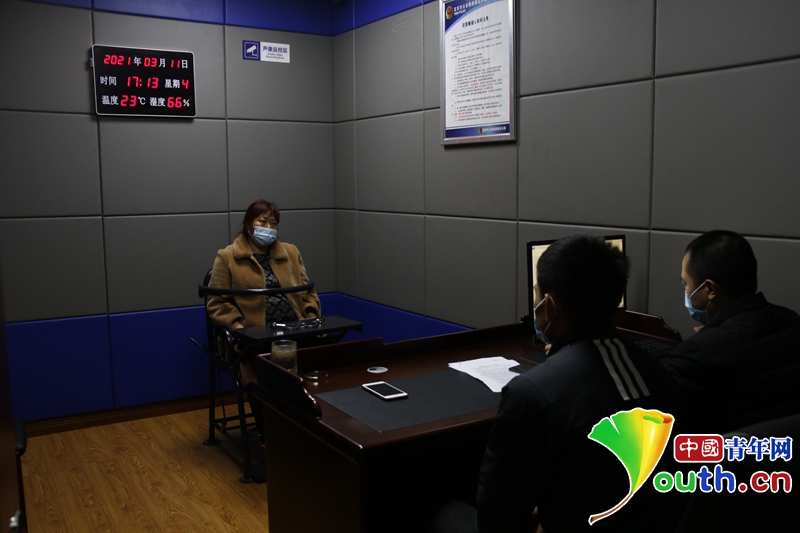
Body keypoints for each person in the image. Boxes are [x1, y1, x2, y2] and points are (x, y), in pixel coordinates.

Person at [473, 234, 681, 532]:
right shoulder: (661, 374)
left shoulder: (531, 392)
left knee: (440, 511)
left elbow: (496, 517)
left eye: (537, 294)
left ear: (548, 305)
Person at [664, 230, 800, 434]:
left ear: (710, 289)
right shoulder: (791, 321)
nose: (686, 292)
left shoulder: (694, 356)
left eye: (686, 284)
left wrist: (704, 344)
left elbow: (667, 430)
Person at [206, 200, 321, 421]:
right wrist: (239, 328)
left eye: (273, 223)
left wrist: (310, 318)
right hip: (252, 340)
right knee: (265, 373)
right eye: (262, 221)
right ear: (248, 223)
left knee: (323, 359)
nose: (268, 227)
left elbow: (308, 293)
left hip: (296, 332)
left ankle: (309, 426)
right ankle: (269, 429)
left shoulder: (291, 252)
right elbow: (217, 303)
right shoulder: (227, 256)